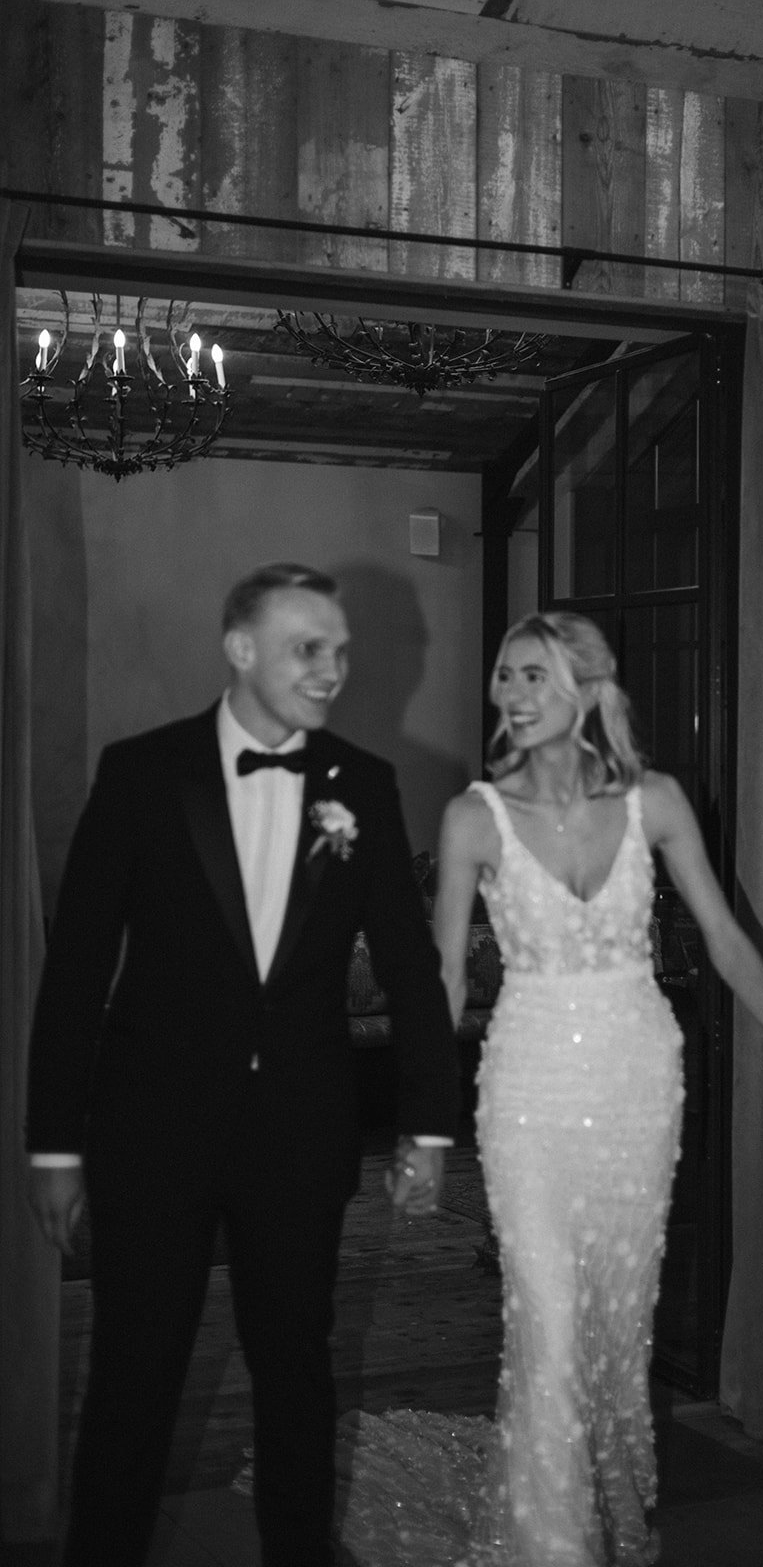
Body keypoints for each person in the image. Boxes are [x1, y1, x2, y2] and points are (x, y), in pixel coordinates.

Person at [25, 562, 460, 1567]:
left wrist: (429, 1126)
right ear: (241, 649)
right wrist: (53, 1142)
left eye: (342, 651)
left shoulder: (367, 786)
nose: (333, 669)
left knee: (296, 1379)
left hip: (299, 1136)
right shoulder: (141, 772)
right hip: (152, 1132)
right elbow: (79, 968)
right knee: (134, 1381)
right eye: (310, 648)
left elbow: (408, 964)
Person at [423, 610, 763, 1566]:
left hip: (636, 1082)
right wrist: (414, 1116)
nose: (511, 694)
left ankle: (606, 1499)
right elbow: (443, 982)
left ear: (583, 688)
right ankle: (552, 1547)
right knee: (548, 1317)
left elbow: (726, 938)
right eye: (503, 677)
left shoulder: (654, 801)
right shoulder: (470, 819)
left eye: (532, 675)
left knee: (615, 1311)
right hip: (526, 1084)